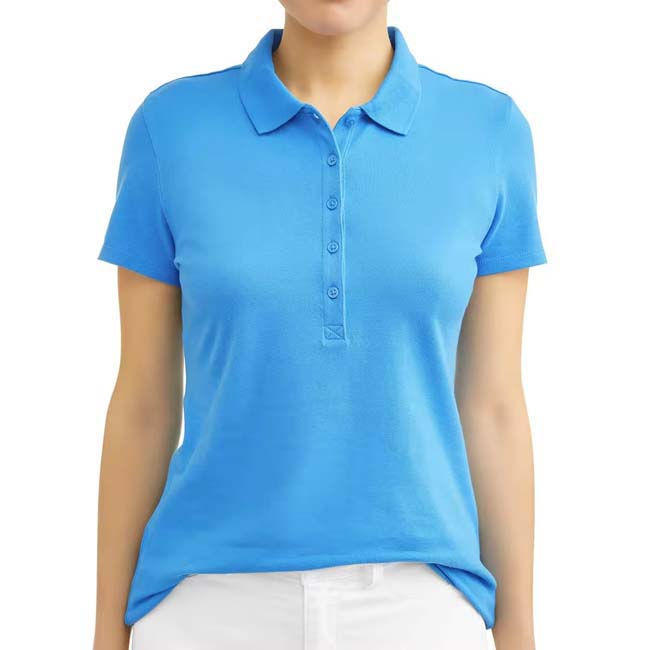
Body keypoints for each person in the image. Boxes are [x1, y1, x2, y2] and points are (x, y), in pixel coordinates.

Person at [93, 2, 547, 649]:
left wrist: (519, 634)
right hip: (206, 606)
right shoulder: (170, 129)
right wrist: (107, 635)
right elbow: (143, 405)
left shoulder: (488, 132)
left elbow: (494, 406)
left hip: (421, 606)